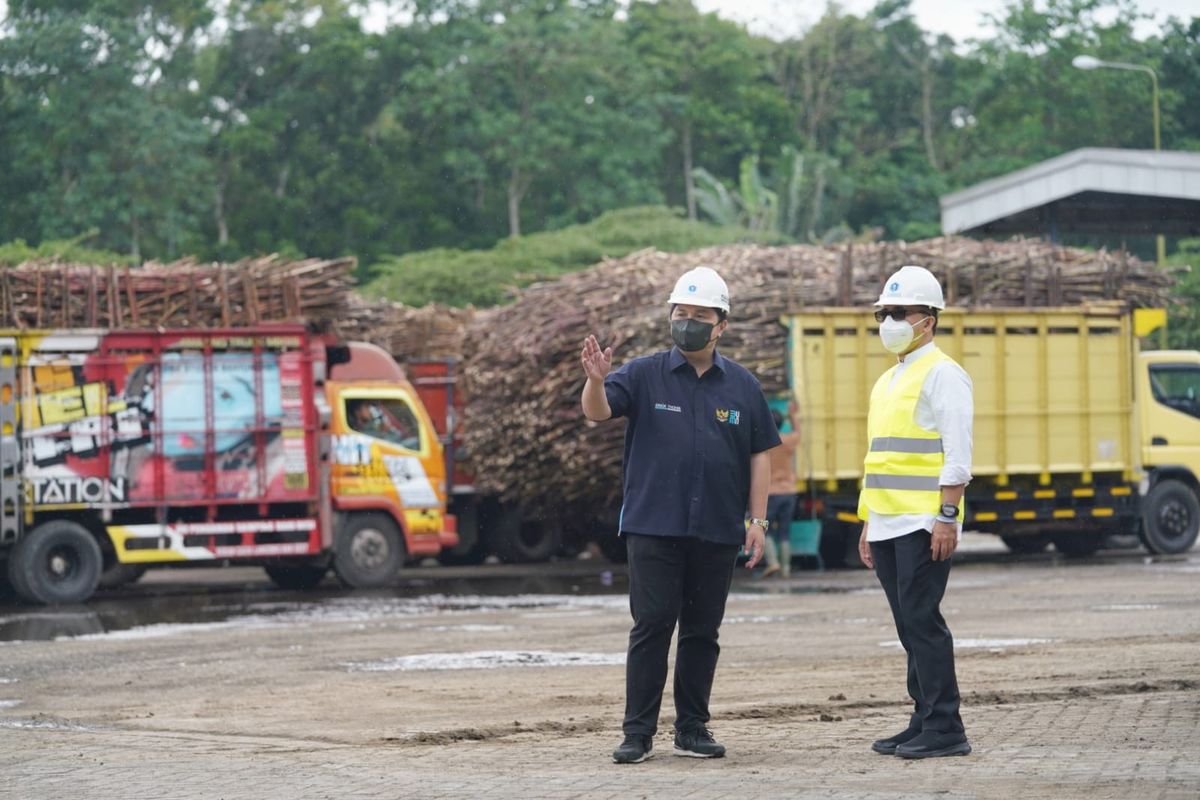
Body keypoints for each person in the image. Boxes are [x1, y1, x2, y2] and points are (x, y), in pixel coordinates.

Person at [580, 266, 780, 765]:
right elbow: (598, 412)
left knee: (701, 633)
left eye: (699, 315)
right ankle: (637, 734)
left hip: (715, 530)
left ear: (721, 325)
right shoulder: (643, 374)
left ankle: (692, 728)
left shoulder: (742, 387)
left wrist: (757, 521)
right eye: (681, 313)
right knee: (651, 627)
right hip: (653, 526)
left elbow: (761, 455)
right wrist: (596, 382)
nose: (687, 322)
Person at [856, 265, 973, 759]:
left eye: (900, 313)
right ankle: (923, 716)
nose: (890, 321)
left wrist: (946, 515)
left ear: (929, 319)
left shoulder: (944, 374)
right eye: (884, 313)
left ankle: (946, 727)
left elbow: (958, 454)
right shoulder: (889, 379)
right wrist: (868, 523)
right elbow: (878, 457)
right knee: (908, 625)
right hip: (887, 522)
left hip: (924, 522)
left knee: (923, 621)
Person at [763, 401, 802, 578]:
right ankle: (786, 569)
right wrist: (793, 415)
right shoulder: (787, 442)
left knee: (765, 528)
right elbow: (798, 433)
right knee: (785, 530)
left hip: (771, 492)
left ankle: (773, 562)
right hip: (789, 491)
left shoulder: (764, 444)